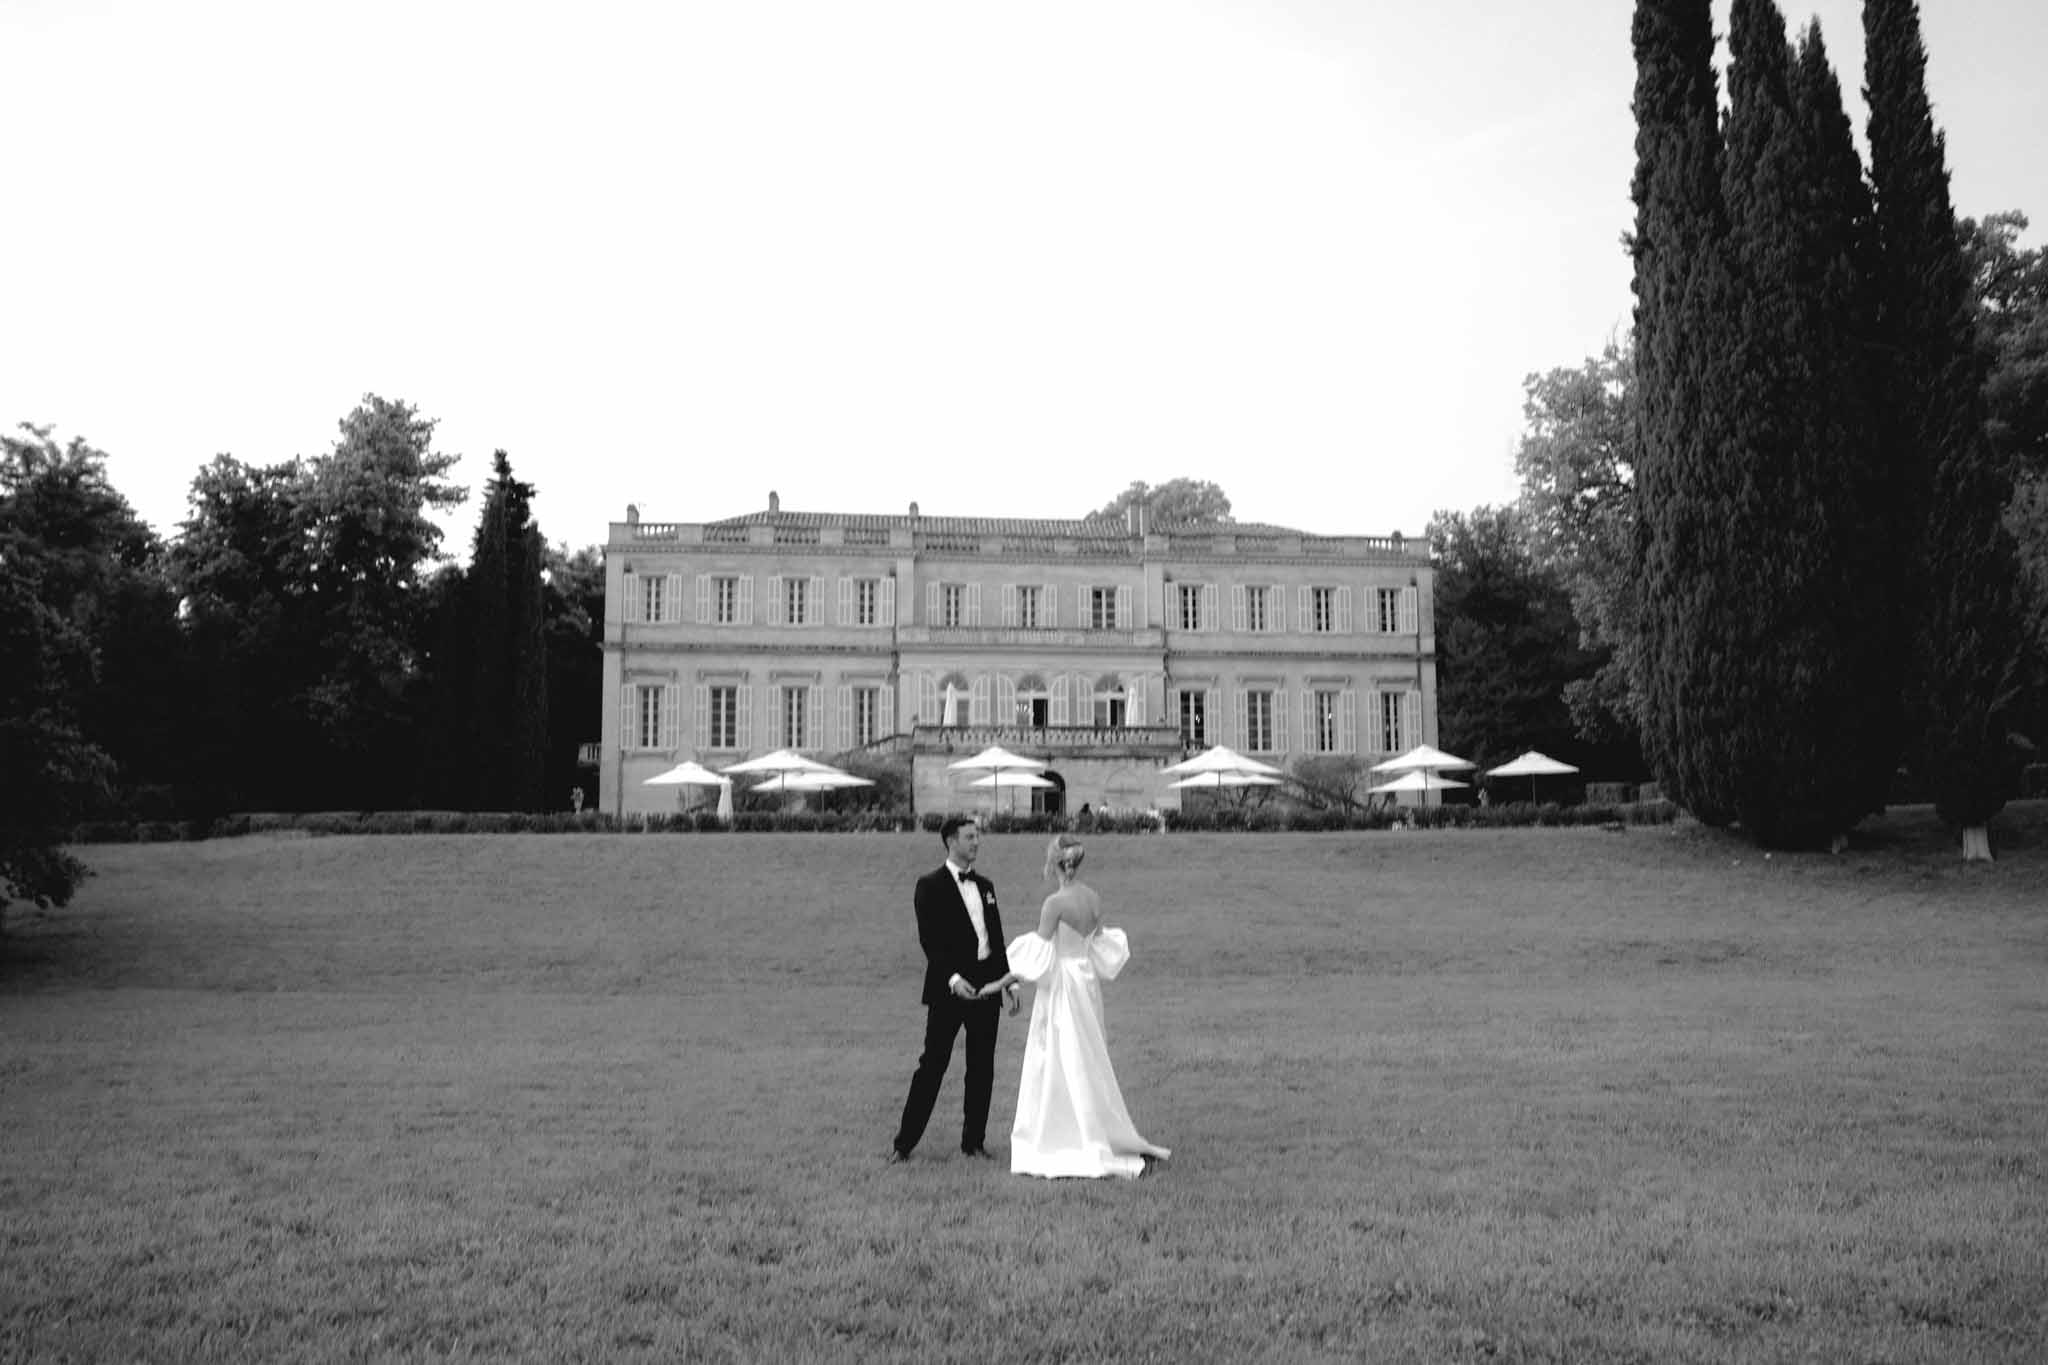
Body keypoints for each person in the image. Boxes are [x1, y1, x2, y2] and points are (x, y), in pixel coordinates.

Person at [981, 832, 1168, 1179]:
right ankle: (1092, 1127)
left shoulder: (1054, 904)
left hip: (1063, 987)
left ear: (1055, 863)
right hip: (1086, 983)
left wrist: (999, 982)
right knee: (1088, 1056)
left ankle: (1068, 1135)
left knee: (1059, 1056)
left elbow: (1037, 955)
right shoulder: (1093, 898)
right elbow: (1098, 946)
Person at [890, 816, 1019, 1163]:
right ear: (951, 842)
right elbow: (929, 940)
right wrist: (951, 978)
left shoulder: (987, 886)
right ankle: (903, 1145)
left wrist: (1010, 981)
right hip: (949, 990)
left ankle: (973, 1143)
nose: (977, 842)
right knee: (932, 1065)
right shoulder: (929, 885)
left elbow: (997, 939)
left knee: (982, 1067)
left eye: (977, 836)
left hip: (988, 987)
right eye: (969, 837)